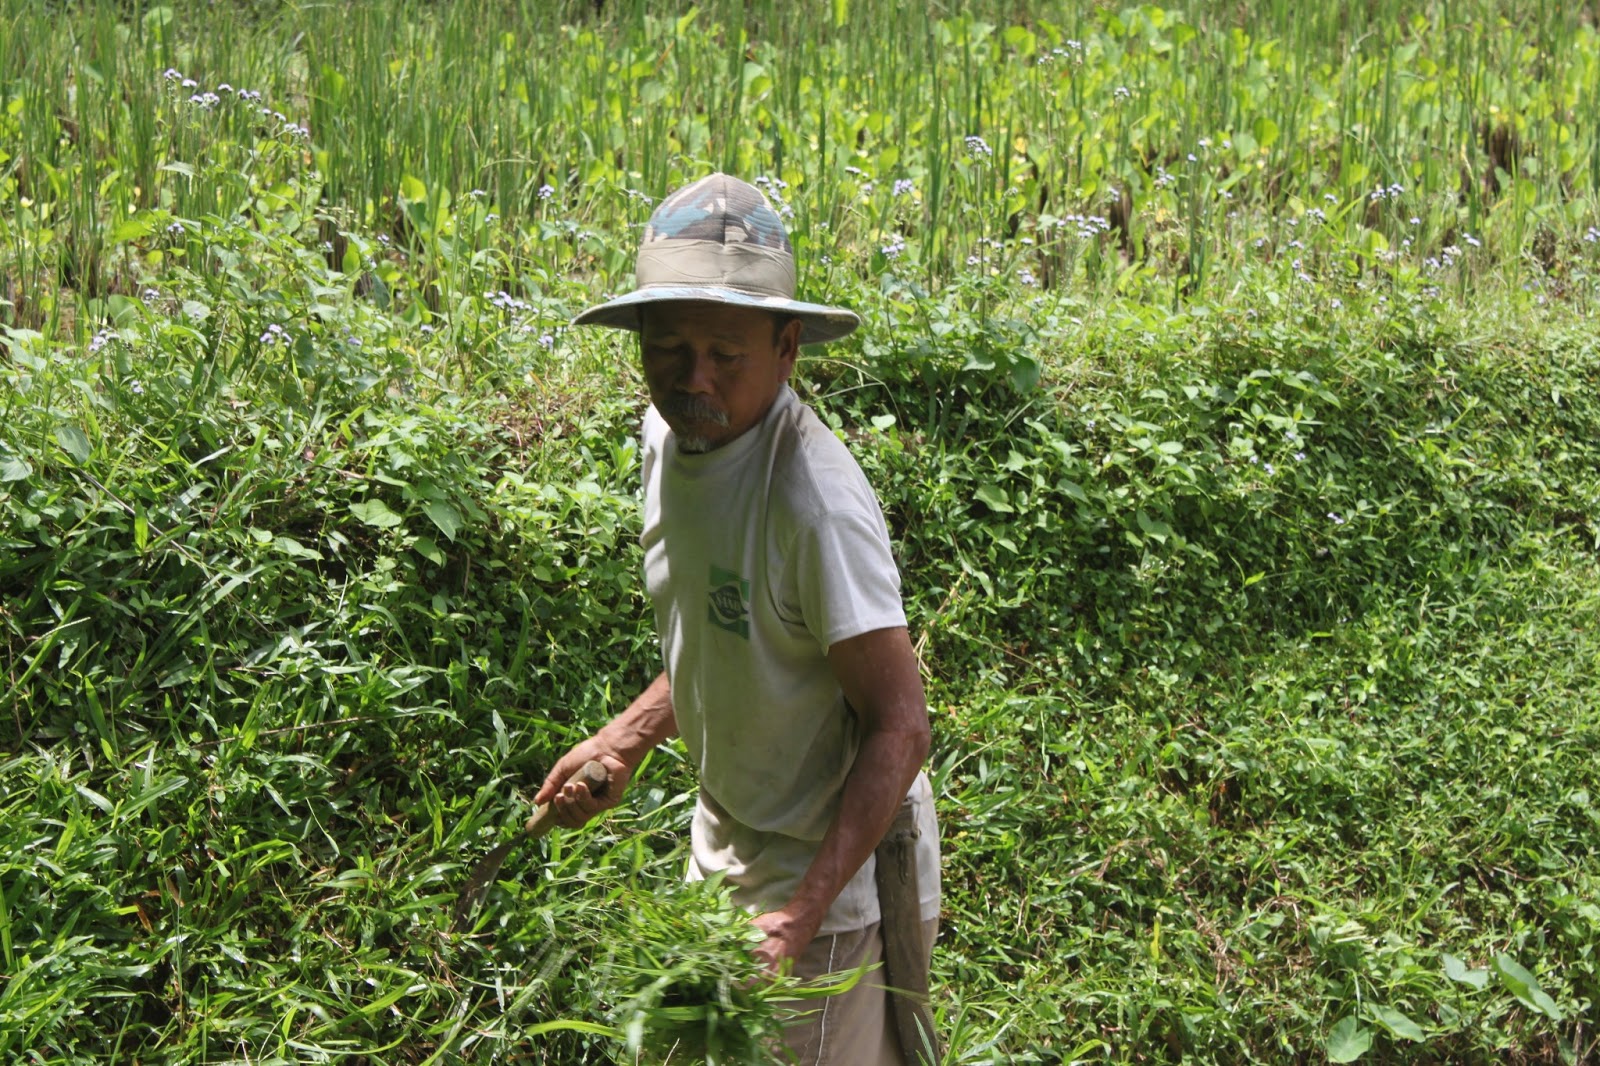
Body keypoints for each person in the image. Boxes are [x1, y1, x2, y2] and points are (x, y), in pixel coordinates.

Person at [535, 172, 940, 1064]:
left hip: (833, 879)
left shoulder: (814, 503)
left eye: (727, 352)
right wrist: (629, 737)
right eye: (670, 348)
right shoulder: (667, 439)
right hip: (730, 835)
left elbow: (901, 728)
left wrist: (801, 913)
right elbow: (726, 627)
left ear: (788, 346)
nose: (695, 379)